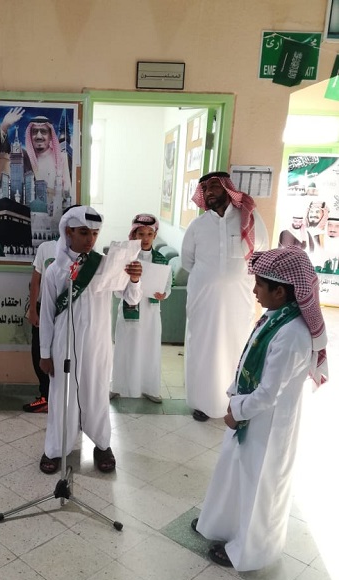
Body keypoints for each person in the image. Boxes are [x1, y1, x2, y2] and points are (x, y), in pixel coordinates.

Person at [192, 246, 327, 571]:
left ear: (280, 291)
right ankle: (220, 526)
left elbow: (268, 393)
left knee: (260, 485)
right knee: (234, 474)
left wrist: (235, 411)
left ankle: (249, 551)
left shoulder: (292, 334)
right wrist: (234, 398)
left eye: (260, 285)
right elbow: (248, 361)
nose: (254, 291)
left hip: (269, 424)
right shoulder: (276, 317)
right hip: (249, 412)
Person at [38, 205, 142, 474]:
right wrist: (45, 353)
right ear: (68, 232)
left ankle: (102, 445)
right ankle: (55, 448)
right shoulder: (55, 270)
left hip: (97, 345)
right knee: (62, 398)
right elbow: (46, 315)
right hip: (63, 346)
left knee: (96, 395)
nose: (90, 239)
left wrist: (134, 279)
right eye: (84, 232)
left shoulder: (106, 265)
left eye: (95, 233)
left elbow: (131, 299)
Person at [181, 171, 268, 422]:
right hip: (203, 301)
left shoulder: (249, 219)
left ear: (228, 189)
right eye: (205, 188)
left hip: (238, 302)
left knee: (236, 348)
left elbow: (261, 252)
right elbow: (188, 261)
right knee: (202, 348)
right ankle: (202, 403)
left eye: (214, 186)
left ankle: (234, 402)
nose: (209, 191)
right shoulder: (197, 226)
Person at [111, 213, 171, 403]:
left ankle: (149, 388)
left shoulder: (161, 259)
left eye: (149, 234)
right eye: (141, 234)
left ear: (155, 236)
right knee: (124, 348)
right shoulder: (125, 258)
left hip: (151, 313)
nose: (145, 239)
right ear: (134, 235)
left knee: (150, 351)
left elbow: (168, 285)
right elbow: (117, 289)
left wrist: (164, 294)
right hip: (129, 309)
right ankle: (117, 386)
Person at [0, 108, 72, 199]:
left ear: (51, 136)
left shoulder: (62, 158)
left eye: (43, 132)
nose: (39, 136)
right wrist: (4, 126)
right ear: (30, 136)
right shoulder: (24, 157)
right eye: (35, 132)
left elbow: (69, 191)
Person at [23, 238, 57, 413]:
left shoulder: (82, 253)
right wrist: (33, 310)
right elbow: (36, 280)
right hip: (43, 308)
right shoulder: (46, 247)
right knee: (39, 352)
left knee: (61, 355)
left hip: (65, 312)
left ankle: (58, 399)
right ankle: (45, 396)